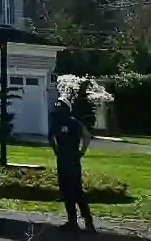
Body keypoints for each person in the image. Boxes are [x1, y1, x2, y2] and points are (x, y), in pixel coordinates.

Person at [48, 98, 96, 234]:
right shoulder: (75, 122)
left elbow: (50, 138)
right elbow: (87, 136)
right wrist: (82, 151)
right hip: (73, 158)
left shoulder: (55, 122)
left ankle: (72, 221)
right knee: (76, 190)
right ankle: (87, 222)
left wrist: (56, 150)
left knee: (67, 191)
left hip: (62, 158)